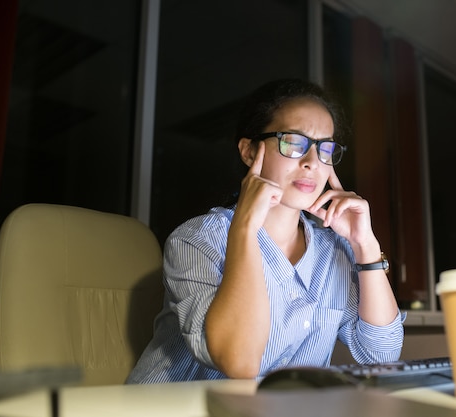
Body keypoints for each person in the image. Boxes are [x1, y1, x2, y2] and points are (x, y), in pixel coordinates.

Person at [126, 78, 405, 383]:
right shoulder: (197, 239)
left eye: (325, 149)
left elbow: (382, 354)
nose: (313, 162)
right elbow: (240, 363)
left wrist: (364, 244)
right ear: (248, 152)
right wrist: (244, 228)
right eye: (294, 143)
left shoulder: (334, 250)